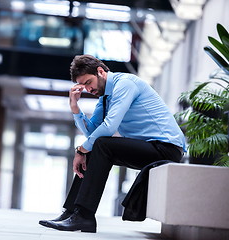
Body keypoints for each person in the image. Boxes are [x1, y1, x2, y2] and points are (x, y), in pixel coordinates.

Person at [38, 54, 186, 233]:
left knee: (100, 145)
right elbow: (93, 132)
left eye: (88, 82)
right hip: (149, 147)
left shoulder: (125, 84)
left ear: (100, 72)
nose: (87, 89)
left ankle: (84, 216)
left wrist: (81, 150)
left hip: (166, 148)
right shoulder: (105, 97)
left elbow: (109, 128)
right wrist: (75, 108)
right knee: (96, 147)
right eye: (82, 85)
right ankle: (72, 212)